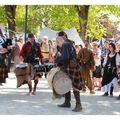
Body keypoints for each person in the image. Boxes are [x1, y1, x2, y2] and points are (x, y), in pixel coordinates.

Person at [55, 36, 82, 112]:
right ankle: (67, 102)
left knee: (74, 86)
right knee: (67, 85)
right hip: (70, 67)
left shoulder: (65, 45)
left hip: (71, 68)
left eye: (57, 43)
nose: (57, 45)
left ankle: (78, 105)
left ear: (59, 41)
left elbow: (65, 58)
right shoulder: (68, 44)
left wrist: (57, 58)